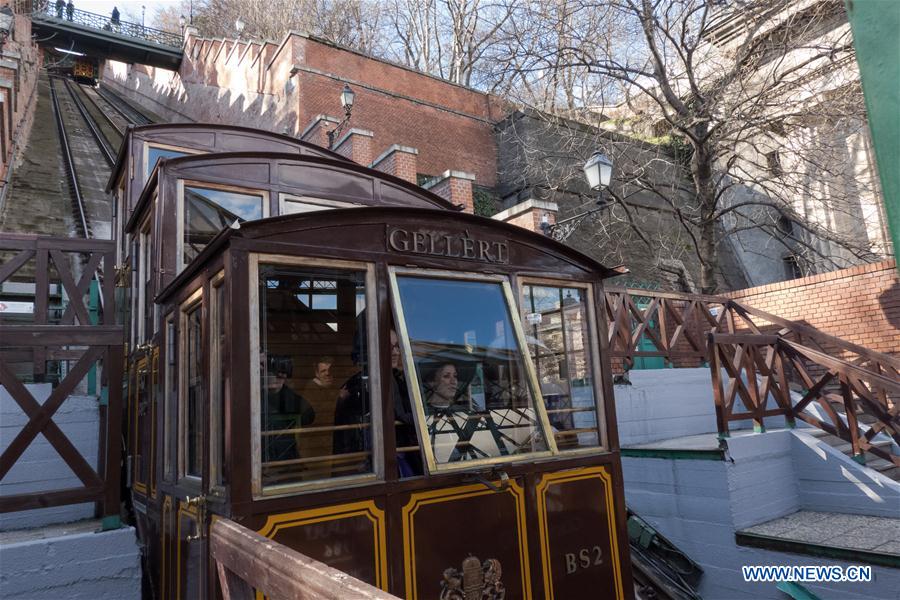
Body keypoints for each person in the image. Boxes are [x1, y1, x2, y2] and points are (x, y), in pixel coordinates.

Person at [260, 353, 315, 469]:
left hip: (286, 462)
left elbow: (309, 416)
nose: (278, 375)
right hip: (261, 462)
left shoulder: (288, 397)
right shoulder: (252, 395)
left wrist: (281, 391)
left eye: (282, 372)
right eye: (271, 368)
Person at [298, 356, 338, 476]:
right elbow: (316, 416)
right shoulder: (311, 389)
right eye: (323, 371)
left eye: (330, 371)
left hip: (327, 446)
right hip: (314, 448)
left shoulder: (331, 388)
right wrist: (339, 399)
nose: (327, 374)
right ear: (316, 373)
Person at [390, 331, 422, 477]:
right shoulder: (389, 379)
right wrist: (425, 418)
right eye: (389, 348)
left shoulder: (398, 376)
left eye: (397, 347)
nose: (395, 352)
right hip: (398, 447)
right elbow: (402, 415)